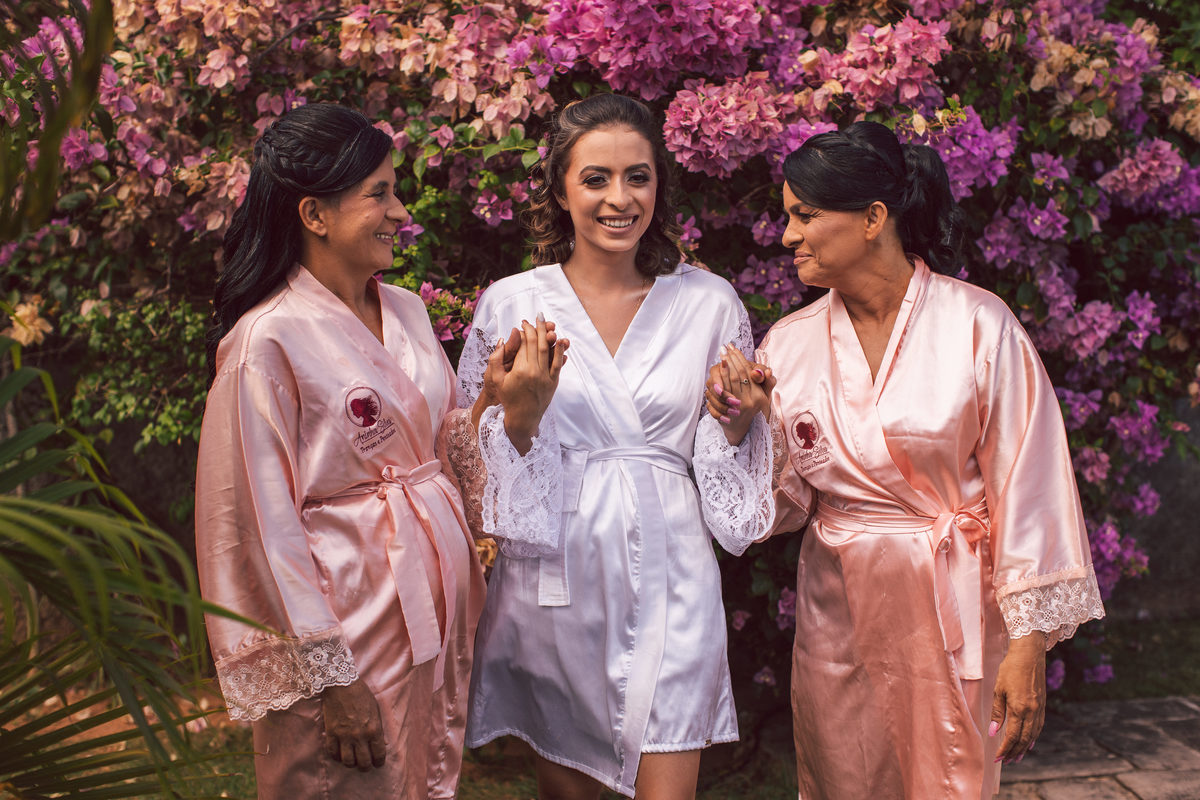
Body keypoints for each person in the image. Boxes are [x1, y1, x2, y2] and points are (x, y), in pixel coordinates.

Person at [705, 121, 1105, 800]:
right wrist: (744, 427)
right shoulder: (791, 345)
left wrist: (1027, 641)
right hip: (840, 611)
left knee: (949, 779)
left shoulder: (979, 326)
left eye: (805, 215)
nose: (787, 236)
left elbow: (1028, 486)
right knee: (842, 778)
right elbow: (780, 507)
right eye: (787, 217)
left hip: (952, 605)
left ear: (873, 218)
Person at [457, 93, 773, 799]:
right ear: (561, 190)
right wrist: (520, 417)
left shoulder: (709, 303)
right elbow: (468, 460)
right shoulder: (511, 304)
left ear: (660, 183)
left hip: (672, 567)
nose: (619, 198)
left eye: (638, 176)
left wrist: (739, 421)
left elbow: (725, 457)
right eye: (596, 178)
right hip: (555, 571)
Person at [194, 103, 492, 800]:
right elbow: (263, 526)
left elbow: (442, 445)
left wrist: (511, 405)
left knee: (419, 775)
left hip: (424, 607)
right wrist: (333, 677)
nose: (400, 211)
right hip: (344, 615)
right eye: (379, 194)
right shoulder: (264, 342)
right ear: (315, 215)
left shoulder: (409, 310)